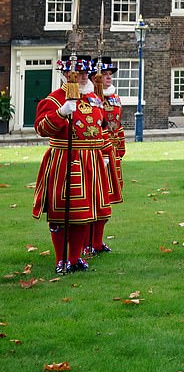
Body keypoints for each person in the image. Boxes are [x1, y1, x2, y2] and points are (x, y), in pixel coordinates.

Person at [33, 54, 111, 273]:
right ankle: (61, 258)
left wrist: (104, 153)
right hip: (65, 159)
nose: (83, 78)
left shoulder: (93, 99)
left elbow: (101, 127)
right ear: (67, 74)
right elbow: (41, 128)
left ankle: (75, 258)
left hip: (91, 161)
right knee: (62, 213)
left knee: (83, 214)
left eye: (85, 73)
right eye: (78, 74)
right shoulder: (54, 100)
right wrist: (61, 113)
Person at [86, 56, 125, 255]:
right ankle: (86, 242)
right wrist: (101, 149)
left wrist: (120, 150)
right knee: (91, 199)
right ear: (95, 78)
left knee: (105, 200)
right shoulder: (90, 99)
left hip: (112, 154)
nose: (108, 78)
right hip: (96, 152)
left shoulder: (115, 97)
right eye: (105, 75)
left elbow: (117, 125)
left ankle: (98, 242)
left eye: (110, 75)